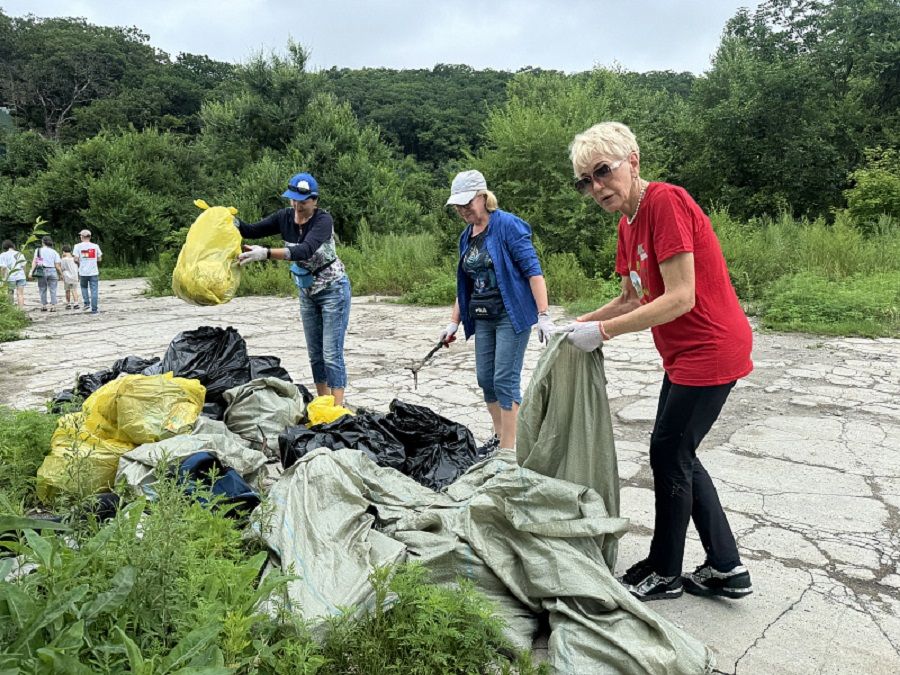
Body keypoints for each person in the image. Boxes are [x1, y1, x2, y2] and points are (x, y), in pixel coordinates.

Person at [565, 121, 753, 602]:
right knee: (679, 454)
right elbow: (630, 299)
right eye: (585, 180)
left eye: (602, 172)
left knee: (668, 454)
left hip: (710, 348)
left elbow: (681, 298)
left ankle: (666, 572)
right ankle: (726, 568)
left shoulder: (665, 202)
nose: (596, 187)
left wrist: (602, 333)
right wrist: (575, 324)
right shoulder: (627, 225)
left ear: (633, 161)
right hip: (683, 355)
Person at [439, 170, 553, 456]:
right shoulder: (466, 237)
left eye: (468, 202)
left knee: (504, 378)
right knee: (485, 379)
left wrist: (544, 314)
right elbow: (465, 284)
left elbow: (533, 272)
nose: (463, 209)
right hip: (482, 315)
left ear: (483, 196)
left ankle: (509, 450)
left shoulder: (508, 226)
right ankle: (500, 434)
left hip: (510, 315)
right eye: (458, 205)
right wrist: (454, 322)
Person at [237, 172, 352, 406]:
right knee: (315, 354)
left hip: (333, 290)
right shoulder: (285, 217)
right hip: (307, 293)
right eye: (293, 200)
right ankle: (323, 404)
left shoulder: (323, 220)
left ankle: (338, 411)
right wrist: (230, 222)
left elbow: (304, 250)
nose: (297, 206)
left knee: (331, 354)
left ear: (314, 200)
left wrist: (266, 253)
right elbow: (250, 230)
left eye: (303, 201)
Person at [29, 236, 63, 312]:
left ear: (43, 242)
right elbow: (57, 265)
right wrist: (61, 274)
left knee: (42, 288)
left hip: (42, 270)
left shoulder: (38, 250)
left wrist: (32, 272)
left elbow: (37, 262)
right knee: (53, 289)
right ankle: (53, 306)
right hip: (52, 270)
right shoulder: (54, 252)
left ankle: (43, 305)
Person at [73, 229, 102, 314]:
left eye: (80, 236)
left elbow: (75, 259)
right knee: (94, 290)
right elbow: (99, 259)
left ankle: (86, 304)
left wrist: (79, 263)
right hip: (94, 272)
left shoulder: (77, 246)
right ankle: (94, 309)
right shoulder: (95, 246)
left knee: (84, 287)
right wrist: (92, 260)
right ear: (90, 237)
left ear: (82, 237)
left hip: (83, 272)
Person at [0, 240, 27, 309]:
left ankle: (11, 309)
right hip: (21, 276)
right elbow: (24, 266)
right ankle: (21, 310)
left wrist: (2, 278)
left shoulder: (3, 255)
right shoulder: (19, 254)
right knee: (20, 294)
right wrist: (25, 275)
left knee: (10, 293)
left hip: (10, 277)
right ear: (12, 245)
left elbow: (3, 268)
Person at [60, 245, 80, 310]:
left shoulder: (63, 259)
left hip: (67, 277)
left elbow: (62, 268)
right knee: (74, 290)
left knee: (67, 290)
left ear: (64, 252)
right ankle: (76, 303)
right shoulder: (75, 259)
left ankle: (68, 304)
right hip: (74, 276)